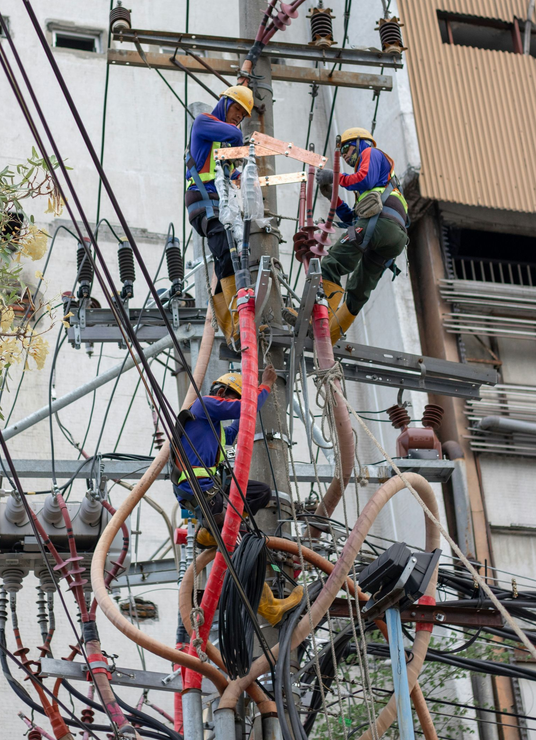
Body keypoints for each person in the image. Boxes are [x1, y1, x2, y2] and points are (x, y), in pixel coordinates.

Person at [171, 364, 303, 625]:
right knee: (241, 544)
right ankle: (270, 606)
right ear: (221, 391)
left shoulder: (214, 429)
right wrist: (264, 385)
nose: (234, 404)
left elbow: (238, 427)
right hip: (198, 486)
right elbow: (244, 409)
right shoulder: (204, 405)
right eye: (233, 397)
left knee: (259, 492)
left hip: (211, 488)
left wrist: (251, 398)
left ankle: (211, 531)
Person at [313, 127, 409, 343]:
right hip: (391, 237)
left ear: (360, 142)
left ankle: (320, 322)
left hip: (381, 225)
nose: (346, 156)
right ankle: (331, 336)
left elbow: (362, 179)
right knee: (358, 290)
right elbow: (353, 221)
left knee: (331, 263)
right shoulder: (374, 187)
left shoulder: (371, 154)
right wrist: (333, 198)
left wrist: (335, 176)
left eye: (346, 149)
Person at [185, 86, 254, 344]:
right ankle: (237, 321)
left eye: (244, 115)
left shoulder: (221, 143)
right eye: (238, 109)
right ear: (225, 103)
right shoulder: (204, 122)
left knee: (231, 254)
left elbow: (230, 174)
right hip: (204, 199)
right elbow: (236, 134)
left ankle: (231, 318)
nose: (240, 117)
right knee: (227, 250)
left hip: (216, 201)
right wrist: (242, 147)